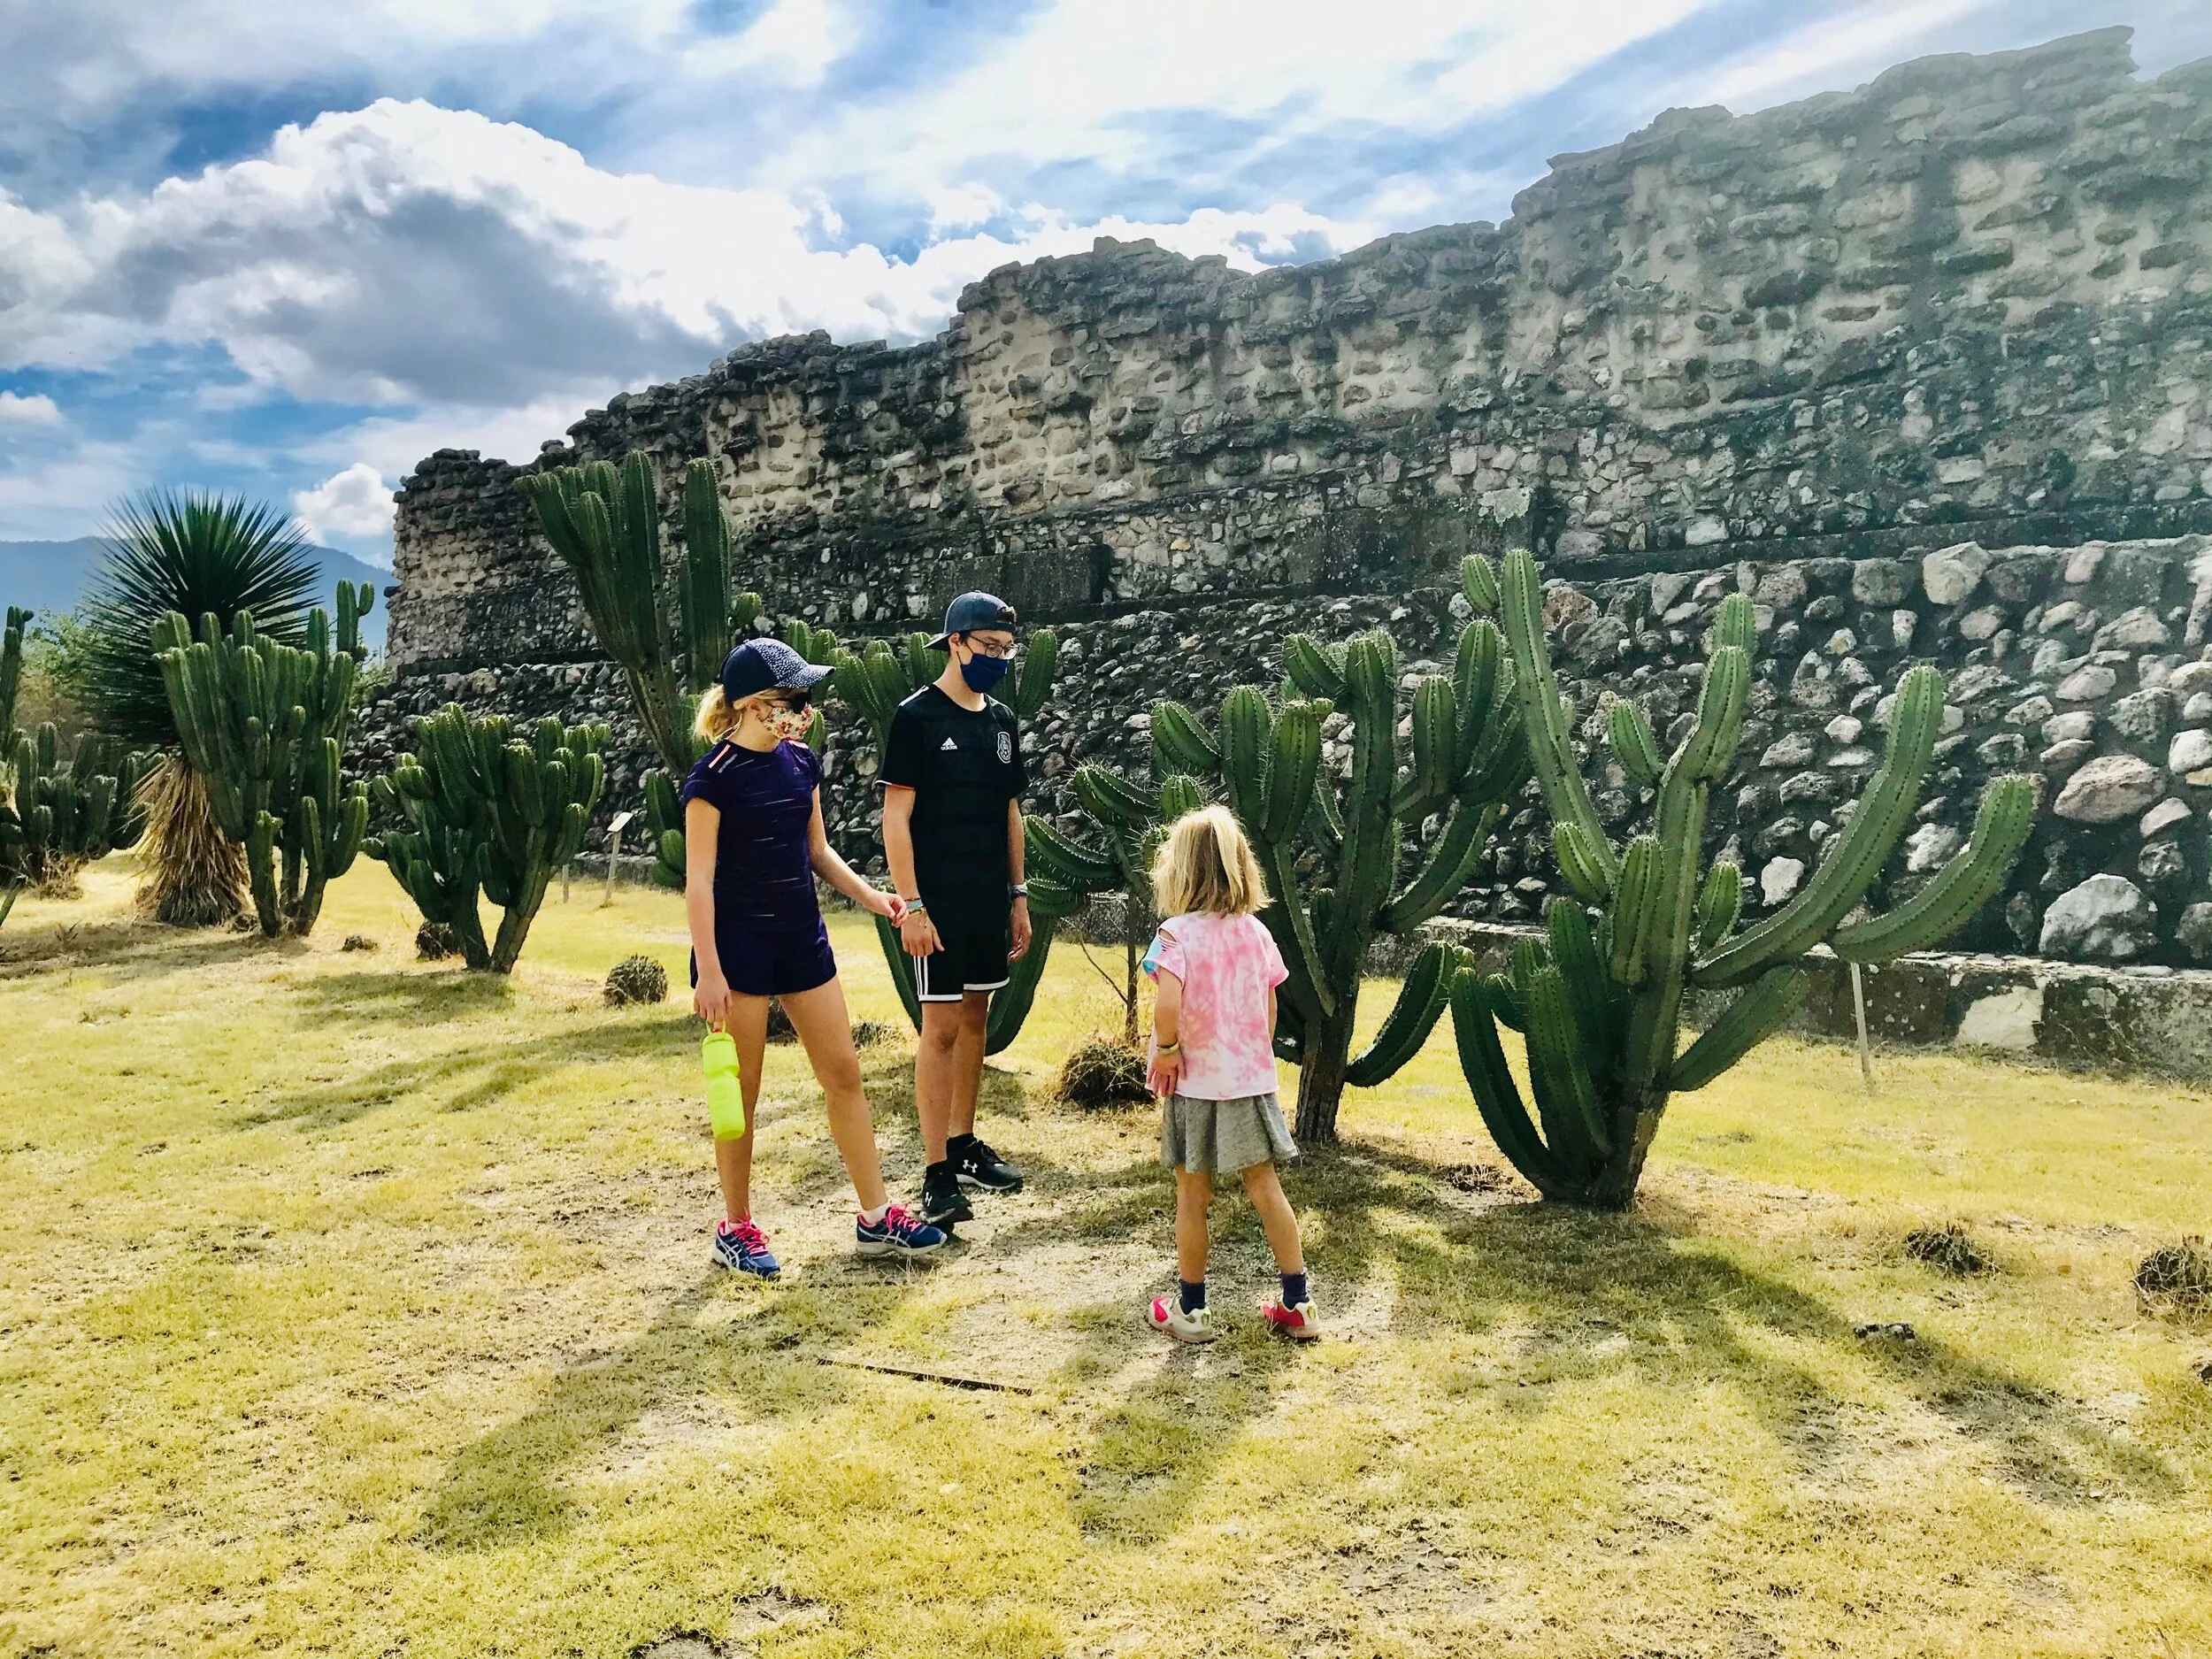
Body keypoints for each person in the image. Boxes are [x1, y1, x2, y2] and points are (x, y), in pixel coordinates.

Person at [684, 637, 948, 1275]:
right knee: (739, 1094)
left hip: (803, 941)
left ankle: (876, 1215)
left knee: (844, 1076)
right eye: (790, 700)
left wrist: (870, 895)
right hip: (737, 953)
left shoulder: (802, 763)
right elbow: (697, 881)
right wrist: (710, 970)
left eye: (805, 700)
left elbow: (817, 850)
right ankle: (737, 1227)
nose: (803, 712)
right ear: (750, 705)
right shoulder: (709, 782)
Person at [879, 591, 1033, 1230]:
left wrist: (1018, 895)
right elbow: (895, 815)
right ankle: (937, 1170)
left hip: (986, 898)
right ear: (955, 643)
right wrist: (912, 904)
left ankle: (966, 1144)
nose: (997, 659)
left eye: (1006, 650)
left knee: (976, 1019)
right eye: (988, 648)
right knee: (938, 1029)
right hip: (935, 903)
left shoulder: (1001, 721)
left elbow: (1011, 812)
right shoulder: (915, 717)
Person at [1140, 806, 1318, 1343]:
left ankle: (1191, 1310)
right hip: (1250, 1083)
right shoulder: (1257, 934)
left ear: (1181, 871)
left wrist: (1168, 1050)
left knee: (1192, 1196)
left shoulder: (1173, 935)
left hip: (1195, 1084)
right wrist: (1250, 1056)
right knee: (1266, 1188)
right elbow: (1269, 1011)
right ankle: (1299, 1302)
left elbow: (1166, 1004)